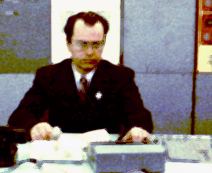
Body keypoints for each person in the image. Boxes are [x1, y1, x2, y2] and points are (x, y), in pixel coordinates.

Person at [8, 11, 153, 142]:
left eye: (96, 45)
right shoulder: (49, 76)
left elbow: (140, 115)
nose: (89, 52)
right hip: (61, 152)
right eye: (82, 44)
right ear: (68, 43)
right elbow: (19, 116)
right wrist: (34, 127)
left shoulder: (120, 77)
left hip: (104, 152)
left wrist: (138, 129)